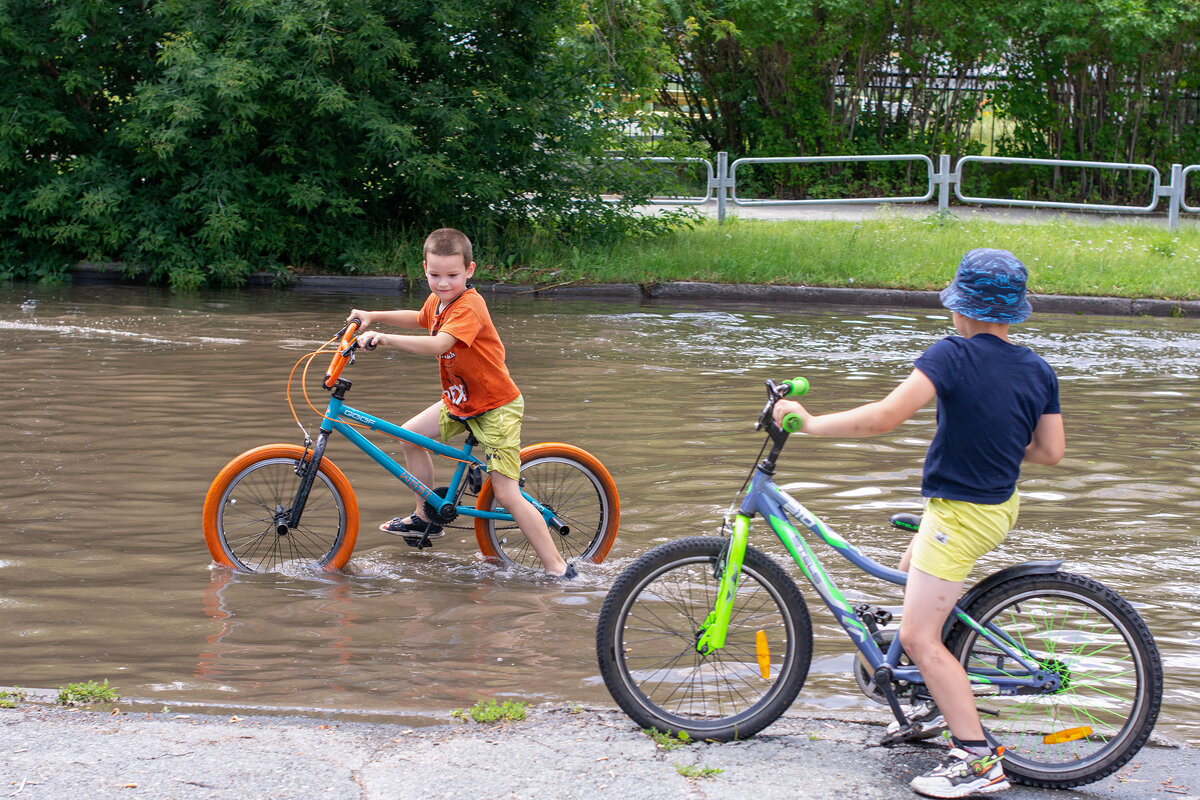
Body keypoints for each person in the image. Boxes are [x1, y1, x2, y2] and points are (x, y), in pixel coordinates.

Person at [773, 248, 1064, 798]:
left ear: (963, 309)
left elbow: (883, 418)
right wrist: (996, 441)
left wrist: (809, 424)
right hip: (996, 506)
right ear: (1011, 312)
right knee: (909, 582)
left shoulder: (951, 354)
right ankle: (927, 704)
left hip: (961, 513)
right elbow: (1050, 452)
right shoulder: (1036, 368)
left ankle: (978, 761)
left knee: (917, 633)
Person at [347, 227, 576, 579]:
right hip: (459, 401)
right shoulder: (439, 300)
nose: (442, 283)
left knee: (505, 491)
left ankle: (558, 569)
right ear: (424, 268)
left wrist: (385, 339)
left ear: (469, 271)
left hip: (496, 406)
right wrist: (373, 314)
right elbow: (419, 317)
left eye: (452, 275)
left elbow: (440, 344)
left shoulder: (469, 304)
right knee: (408, 435)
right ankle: (426, 516)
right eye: (434, 275)